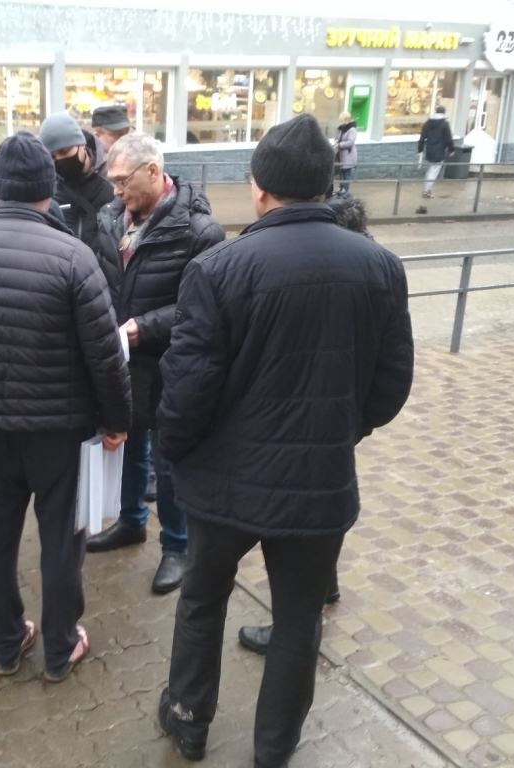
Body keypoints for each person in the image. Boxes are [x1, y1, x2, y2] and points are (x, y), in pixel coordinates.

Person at [155, 115, 414, 766]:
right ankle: (274, 749)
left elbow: (187, 389)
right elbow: (391, 384)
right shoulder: (380, 266)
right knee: (299, 621)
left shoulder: (218, 269)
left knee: (202, 600)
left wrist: (173, 454)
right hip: (319, 485)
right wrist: (341, 431)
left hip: (223, 484)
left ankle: (188, 718)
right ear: (326, 185)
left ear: (259, 188)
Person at [0, 133, 131, 682]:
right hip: (58, 431)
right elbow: (105, 355)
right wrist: (116, 421)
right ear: (48, 188)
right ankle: (60, 647)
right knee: (62, 539)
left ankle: (6, 642)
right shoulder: (73, 256)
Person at [87, 133, 225, 595]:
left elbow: (200, 307)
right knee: (127, 445)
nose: (115, 191)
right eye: (111, 181)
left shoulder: (199, 231)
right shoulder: (110, 218)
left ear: (152, 171)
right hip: (123, 358)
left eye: (122, 181)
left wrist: (143, 327)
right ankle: (130, 522)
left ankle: (177, 547)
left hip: (172, 362)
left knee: (168, 460)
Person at [236, 193, 371, 656]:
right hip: (337, 424)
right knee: (324, 511)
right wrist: (357, 421)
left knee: (300, 527)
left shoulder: (323, 272)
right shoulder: (372, 269)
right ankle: (322, 589)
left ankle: (295, 626)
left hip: (300, 426)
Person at [39, 110, 115, 249]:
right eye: (53, 156)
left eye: (64, 151)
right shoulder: (50, 189)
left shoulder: (111, 178)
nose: (60, 159)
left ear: (82, 145)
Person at [417, 104, 455, 198]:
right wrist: (451, 149)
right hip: (439, 151)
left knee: (431, 169)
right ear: (443, 113)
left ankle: (426, 189)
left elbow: (422, 137)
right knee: (434, 171)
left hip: (429, 150)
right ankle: (427, 191)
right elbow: (448, 138)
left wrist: (420, 150)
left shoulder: (428, 122)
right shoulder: (444, 124)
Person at [334, 111, 358, 196]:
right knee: (341, 173)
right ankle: (341, 189)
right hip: (341, 155)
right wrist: (336, 141)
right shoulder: (341, 129)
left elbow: (350, 142)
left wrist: (340, 144)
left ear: (346, 120)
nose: (340, 122)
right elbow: (338, 138)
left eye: (341, 120)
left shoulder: (352, 129)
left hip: (348, 155)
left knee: (347, 173)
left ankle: (346, 191)